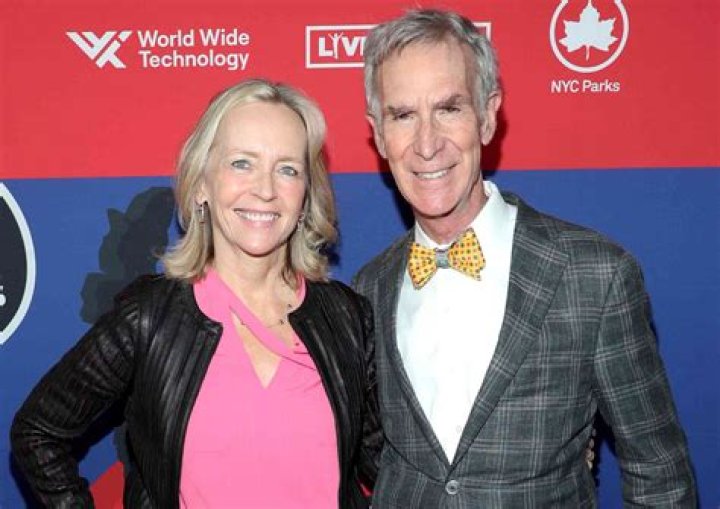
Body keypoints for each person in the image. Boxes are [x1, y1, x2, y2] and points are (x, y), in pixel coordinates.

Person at [352, 9, 696, 507]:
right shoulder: (368, 288)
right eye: (403, 115)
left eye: (449, 108)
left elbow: (659, 474)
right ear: (380, 134)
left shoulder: (593, 275)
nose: (427, 144)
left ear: (488, 115)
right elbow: (374, 459)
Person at [12, 79, 381, 508]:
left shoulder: (348, 318)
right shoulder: (151, 317)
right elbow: (38, 431)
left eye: (287, 169)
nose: (265, 189)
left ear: (305, 195)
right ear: (203, 183)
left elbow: (393, 466)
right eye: (242, 163)